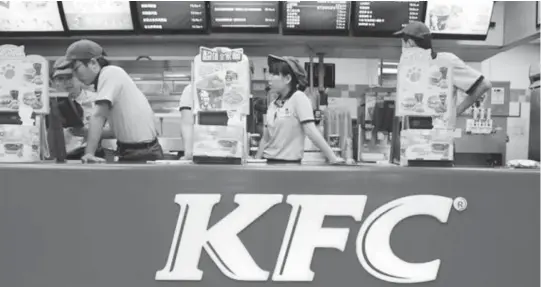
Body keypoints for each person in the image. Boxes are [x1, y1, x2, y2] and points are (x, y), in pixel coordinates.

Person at [57, 39, 163, 163]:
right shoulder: (107, 80)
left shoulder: (110, 73)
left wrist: (89, 153)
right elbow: (115, 130)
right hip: (132, 150)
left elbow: (98, 115)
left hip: (143, 152)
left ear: (93, 63)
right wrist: (84, 132)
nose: (76, 75)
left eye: (76, 69)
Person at [255, 55, 344, 164]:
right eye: (270, 73)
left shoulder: (298, 98)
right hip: (269, 164)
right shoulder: (273, 105)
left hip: (289, 166)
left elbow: (310, 130)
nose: (269, 78)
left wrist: (333, 158)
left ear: (287, 79)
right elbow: (265, 138)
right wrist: (256, 162)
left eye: (274, 74)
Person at [394, 21, 492, 118]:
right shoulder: (412, 68)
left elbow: (484, 84)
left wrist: (456, 112)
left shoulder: (447, 61)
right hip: (412, 131)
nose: (403, 48)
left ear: (410, 43)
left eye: (403, 43)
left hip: (440, 131)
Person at [49, 57, 114, 159]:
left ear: (79, 78)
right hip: (59, 158)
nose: (66, 82)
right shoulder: (47, 105)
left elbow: (114, 132)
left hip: (92, 156)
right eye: (60, 78)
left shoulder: (98, 100)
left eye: (70, 77)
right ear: (54, 82)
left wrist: (88, 132)